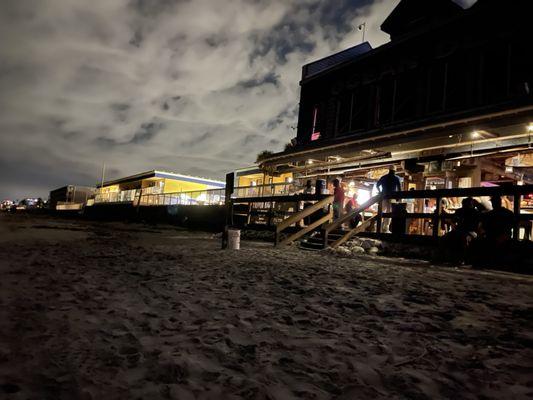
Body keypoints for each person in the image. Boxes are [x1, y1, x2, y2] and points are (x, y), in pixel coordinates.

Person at [376, 167, 402, 232]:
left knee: (381, 211)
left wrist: (380, 192)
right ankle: (385, 228)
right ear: (394, 171)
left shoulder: (384, 177)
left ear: (389, 170)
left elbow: (377, 185)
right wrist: (398, 198)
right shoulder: (396, 178)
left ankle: (379, 227)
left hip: (383, 197)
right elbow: (399, 190)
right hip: (392, 198)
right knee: (389, 212)